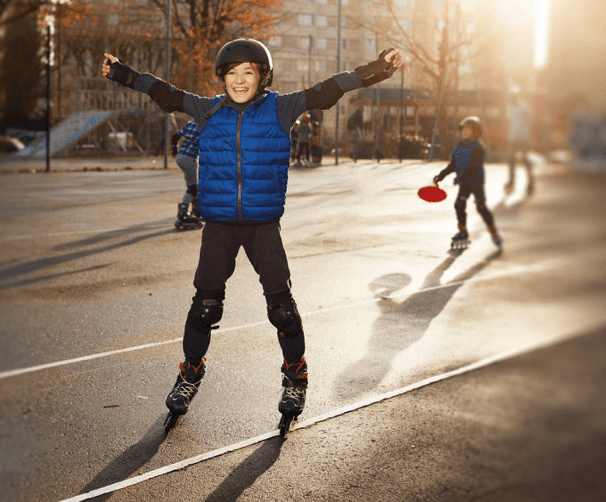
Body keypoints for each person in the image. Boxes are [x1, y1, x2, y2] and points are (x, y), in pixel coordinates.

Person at [101, 39, 402, 430]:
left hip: (263, 226)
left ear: (262, 78)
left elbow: (329, 89)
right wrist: (122, 72)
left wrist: (377, 69)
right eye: (231, 73)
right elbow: (163, 92)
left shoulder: (281, 108)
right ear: (222, 78)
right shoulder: (207, 110)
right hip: (219, 227)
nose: (239, 80)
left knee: (282, 308)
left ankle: (295, 378)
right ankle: (190, 374)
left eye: (248, 73)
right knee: (205, 306)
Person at [433, 116, 502, 250]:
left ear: (476, 132)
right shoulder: (460, 146)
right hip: (464, 183)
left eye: (468, 130)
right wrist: (440, 176)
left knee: (481, 207)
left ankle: (493, 232)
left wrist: (461, 177)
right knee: (459, 205)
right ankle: (463, 232)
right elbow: (453, 164)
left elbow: (474, 166)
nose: (464, 132)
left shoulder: (478, 148)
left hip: (476, 182)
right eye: (463, 129)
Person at [171, 118, 202, 229]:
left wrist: (174, 151)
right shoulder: (203, 126)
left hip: (180, 157)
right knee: (192, 188)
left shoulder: (190, 124)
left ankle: (197, 210)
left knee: (194, 185)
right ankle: (183, 212)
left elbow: (174, 137)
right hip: (190, 159)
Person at [506, 86, 534, 195]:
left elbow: (531, 120)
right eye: (511, 96)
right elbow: (509, 121)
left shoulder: (524, 108)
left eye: (514, 96)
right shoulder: (509, 108)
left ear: (517, 97)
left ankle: (530, 182)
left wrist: (528, 134)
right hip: (513, 136)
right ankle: (511, 181)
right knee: (511, 159)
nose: (512, 98)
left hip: (524, 137)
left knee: (525, 159)